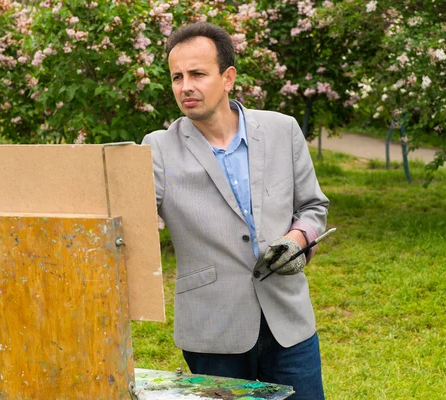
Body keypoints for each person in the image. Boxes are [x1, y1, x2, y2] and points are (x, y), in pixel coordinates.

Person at [141, 22, 329, 400]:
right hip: (212, 330)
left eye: (197, 73)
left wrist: (298, 238)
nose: (185, 86)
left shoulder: (283, 130)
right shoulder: (157, 148)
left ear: (228, 78)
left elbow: (312, 206)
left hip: (288, 322)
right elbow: (130, 221)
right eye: (176, 77)